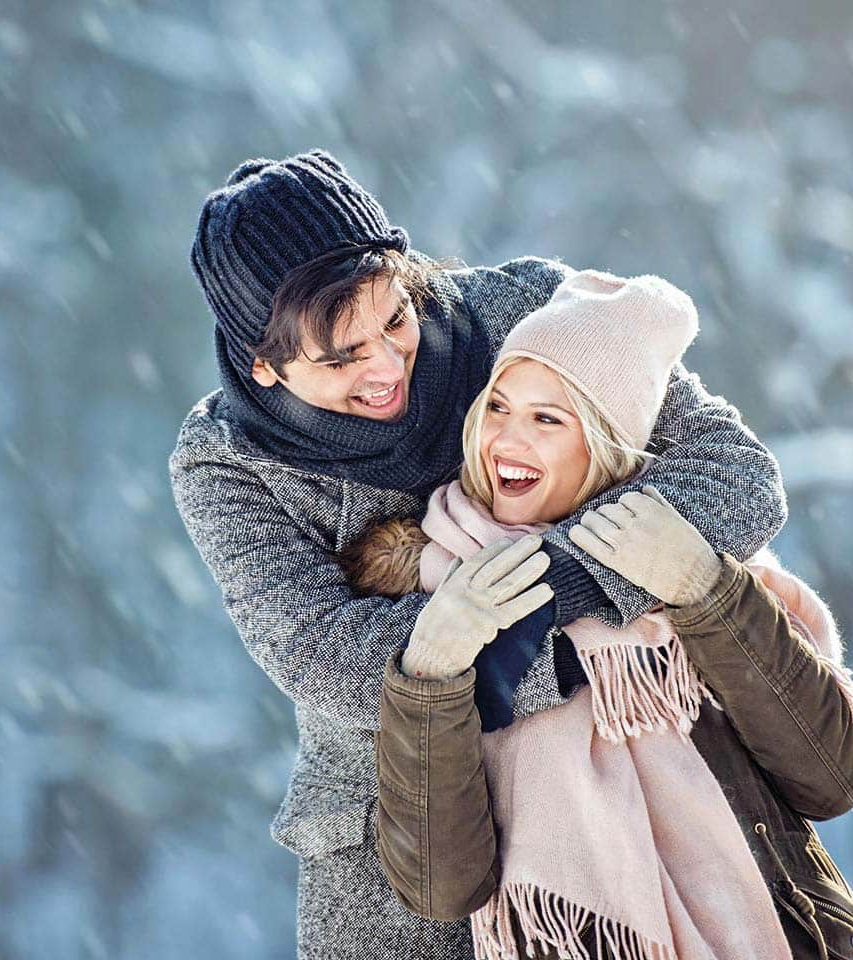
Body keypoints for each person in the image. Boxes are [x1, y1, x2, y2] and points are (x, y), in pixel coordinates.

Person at [170, 150, 788, 959]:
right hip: (408, 844)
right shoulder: (223, 463)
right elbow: (328, 657)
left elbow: (738, 479)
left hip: (638, 785)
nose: (388, 366)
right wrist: (568, 648)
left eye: (395, 319)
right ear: (262, 364)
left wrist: (559, 583)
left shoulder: (524, 313)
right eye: (340, 357)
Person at [349, 270, 853, 958]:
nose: (507, 439)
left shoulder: (683, 558)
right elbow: (440, 887)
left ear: (605, 441)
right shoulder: (436, 587)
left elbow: (833, 775)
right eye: (499, 408)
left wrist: (706, 591)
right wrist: (430, 674)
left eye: (548, 419)